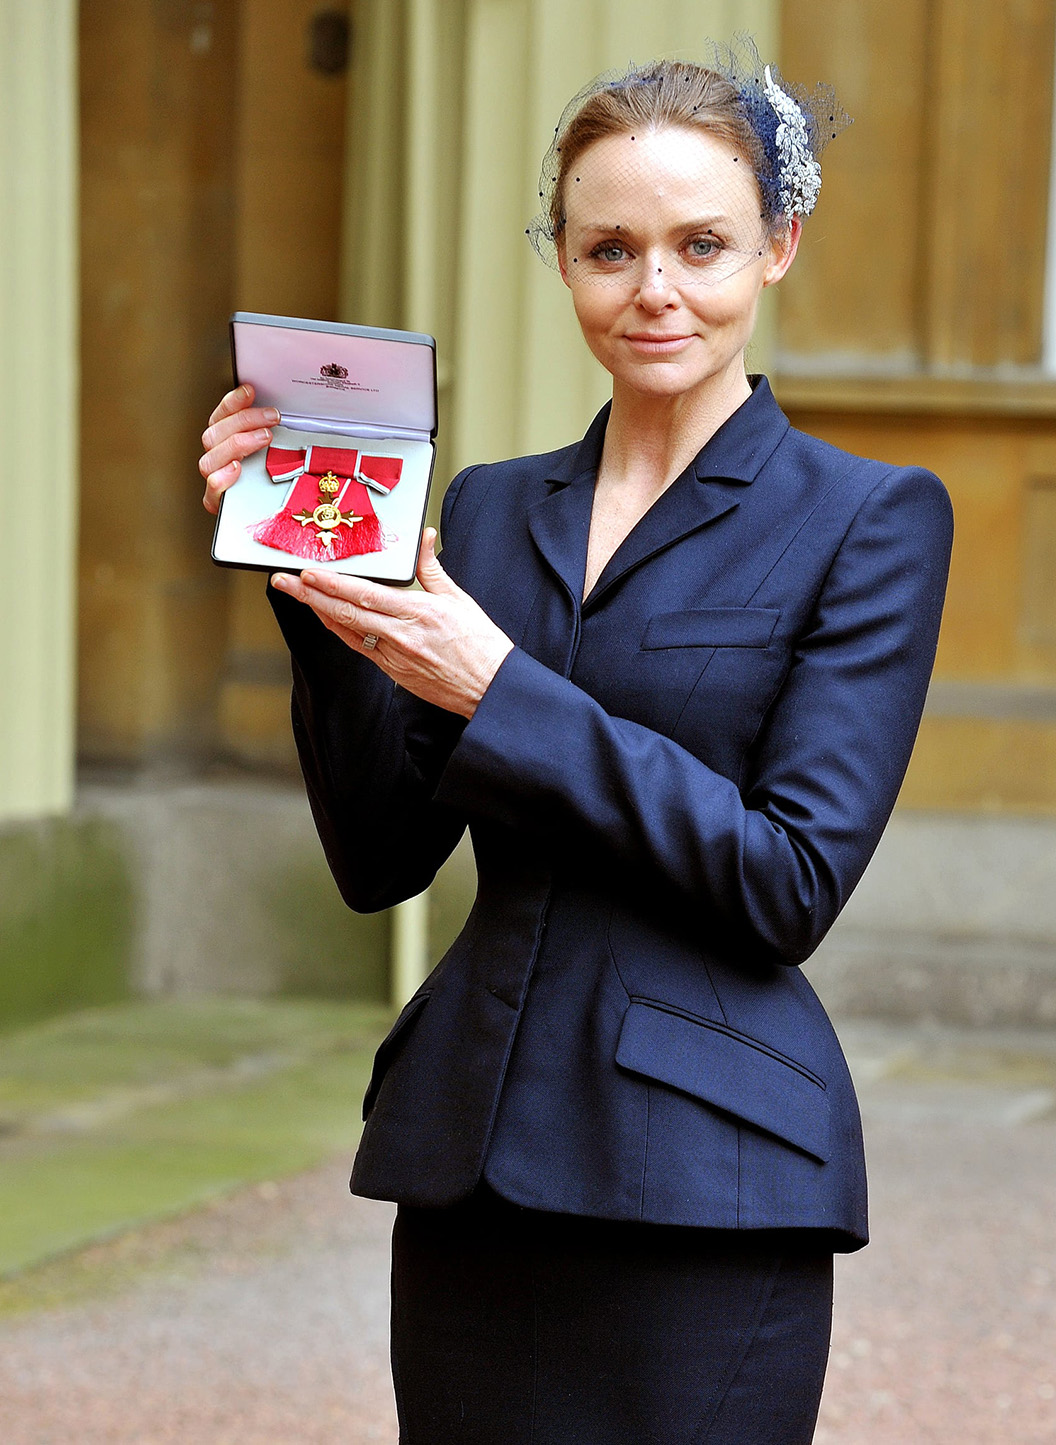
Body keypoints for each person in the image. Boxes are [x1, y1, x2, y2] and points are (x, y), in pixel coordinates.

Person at [199, 45, 952, 1445]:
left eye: (700, 244)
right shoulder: (490, 509)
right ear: (563, 261)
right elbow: (381, 859)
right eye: (611, 249)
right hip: (470, 1155)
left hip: (710, 1175)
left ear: (778, 246)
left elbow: (788, 881)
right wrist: (313, 585)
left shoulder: (869, 518)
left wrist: (500, 690)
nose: (654, 287)